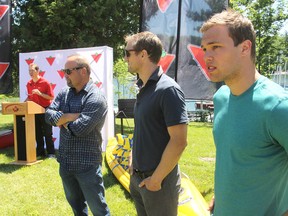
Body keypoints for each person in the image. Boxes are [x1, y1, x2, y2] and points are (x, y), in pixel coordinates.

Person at [200, 9, 288, 216]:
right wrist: (224, 195)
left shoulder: (277, 105)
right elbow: (236, 160)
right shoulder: (221, 97)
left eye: (216, 47)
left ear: (245, 48)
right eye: (204, 49)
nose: (207, 56)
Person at [124, 31, 188, 216]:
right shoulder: (143, 86)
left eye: (128, 53)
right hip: (138, 179)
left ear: (143, 54)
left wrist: (156, 180)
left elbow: (179, 141)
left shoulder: (168, 89)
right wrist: (132, 159)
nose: (125, 58)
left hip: (158, 184)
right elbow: (142, 129)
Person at [45, 54, 110, 216]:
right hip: (66, 163)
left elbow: (79, 129)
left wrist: (60, 119)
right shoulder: (64, 92)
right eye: (64, 70)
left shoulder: (96, 98)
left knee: (99, 210)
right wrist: (70, 116)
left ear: (83, 71)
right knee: (77, 209)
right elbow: (48, 114)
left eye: (68, 71)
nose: (65, 75)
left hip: (87, 166)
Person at [26, 63, 55, 158]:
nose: (30, 72)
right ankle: (40, 152)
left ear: (38, 71)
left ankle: (51, 153)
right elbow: (29, 98)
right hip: (34, 111)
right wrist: (22, 104)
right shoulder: (29, 84)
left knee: (47, 132)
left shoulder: (45, 82)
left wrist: (40, 93)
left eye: (32, 70)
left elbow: (51, 97)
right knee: (37, 133)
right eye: (29, 71)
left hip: (45, 109)